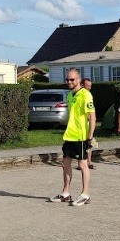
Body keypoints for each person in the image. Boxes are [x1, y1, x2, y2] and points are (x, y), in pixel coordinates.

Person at [49, 68, 96, 206]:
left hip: (81, 136)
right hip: (70, 135)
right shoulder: (70, 95)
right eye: (67, 80)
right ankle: (66, 193)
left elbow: (92, 117)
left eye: (72, 79)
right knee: (66, 163)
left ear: (79, 80)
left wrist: (90, 137)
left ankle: (85, 194)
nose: (69, 82)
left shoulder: (85, 95)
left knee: (82, 164)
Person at [80, 78, 96, 169]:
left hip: (89, 122)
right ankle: (82, 162)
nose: (89, 88)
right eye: (87, 86)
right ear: (82, 85)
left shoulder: (89, 95)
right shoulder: (79, 95)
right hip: (81, 123)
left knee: (90, 142)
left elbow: (91, 109)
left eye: (90, 86)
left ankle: (89, 162)